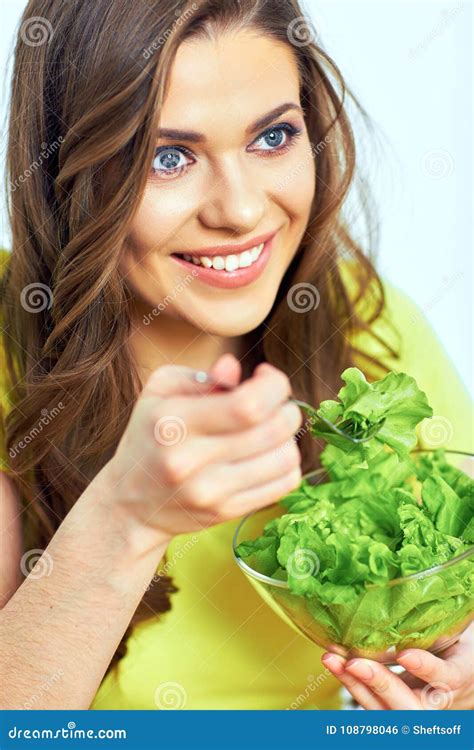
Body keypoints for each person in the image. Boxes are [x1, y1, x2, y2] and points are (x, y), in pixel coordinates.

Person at [0, 0, 472, 711]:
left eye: (273, 137)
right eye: (168, 157)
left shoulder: (368, 325)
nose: (243, 210)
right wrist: (125, 516)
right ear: (63, 171)